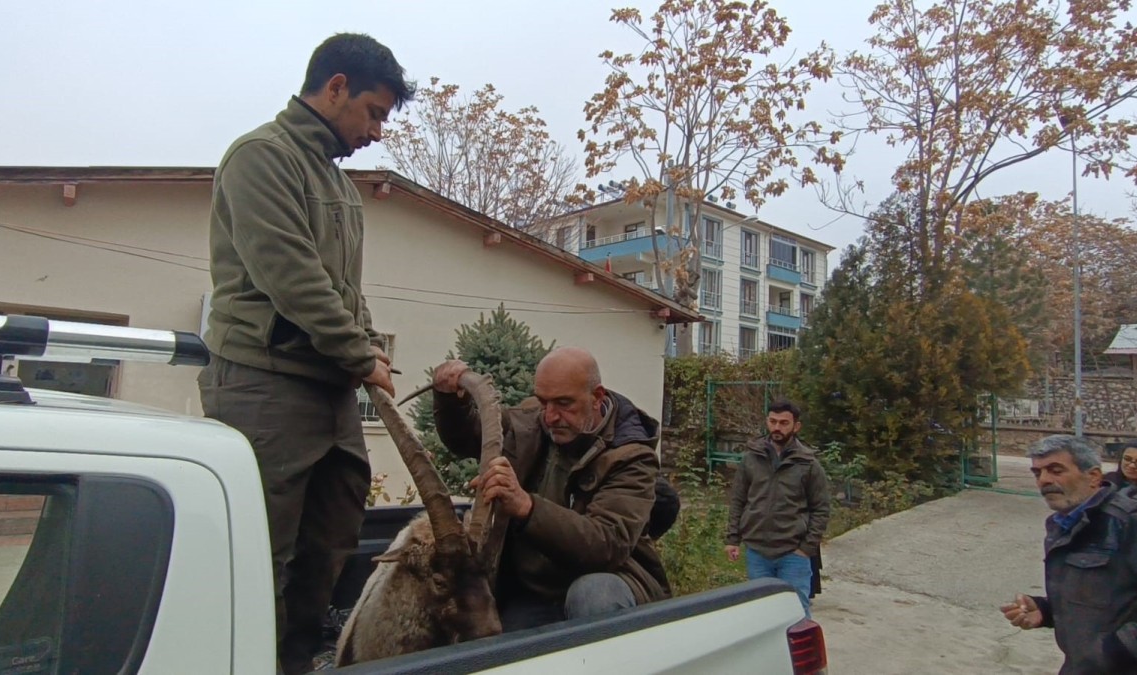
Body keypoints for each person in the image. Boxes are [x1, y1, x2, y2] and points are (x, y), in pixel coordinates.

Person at [196, 32, 414, 675]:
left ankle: (293, 664)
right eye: (373, 112)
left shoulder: (340, 188)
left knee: (329, 549)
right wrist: (358, 353)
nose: (376, 130)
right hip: (265, 386)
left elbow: (345, 290)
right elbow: (290, 275)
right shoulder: (260, 158)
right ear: (336, 87)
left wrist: (370, 347)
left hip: (330, 392)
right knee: (258, 556)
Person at [431, 347, 671, 631]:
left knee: (594, 595)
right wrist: (449, 401)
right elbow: (469, 438)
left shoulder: (631, 456)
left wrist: (525, 506)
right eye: (543, 401)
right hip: (538, 591)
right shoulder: (532, 421)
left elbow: (606, 543)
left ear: (597, 398)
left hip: (612, 577)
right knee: (498, 645)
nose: (550, 416)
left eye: (564, 403)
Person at [1000, 434, 1137, 675]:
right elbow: (1103, 599)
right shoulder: (1062, 524)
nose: (1044, 480)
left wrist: (1114, 651)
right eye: (1037, 473)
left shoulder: (1133, 523)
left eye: (1056, 470)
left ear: (1093, 476)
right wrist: (1046, 610)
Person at [723, 399, 829, 618]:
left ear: (796, 426)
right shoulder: (751, 459)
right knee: (763, 613)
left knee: (796, 612)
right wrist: (733, 539)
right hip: (757, 551)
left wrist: (806, 548)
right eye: (773, 421)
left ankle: (799, 653)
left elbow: (821, 509)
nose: (777, 428)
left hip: (793, 552)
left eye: (783, 423)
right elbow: (738, 500)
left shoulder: (808, 464)